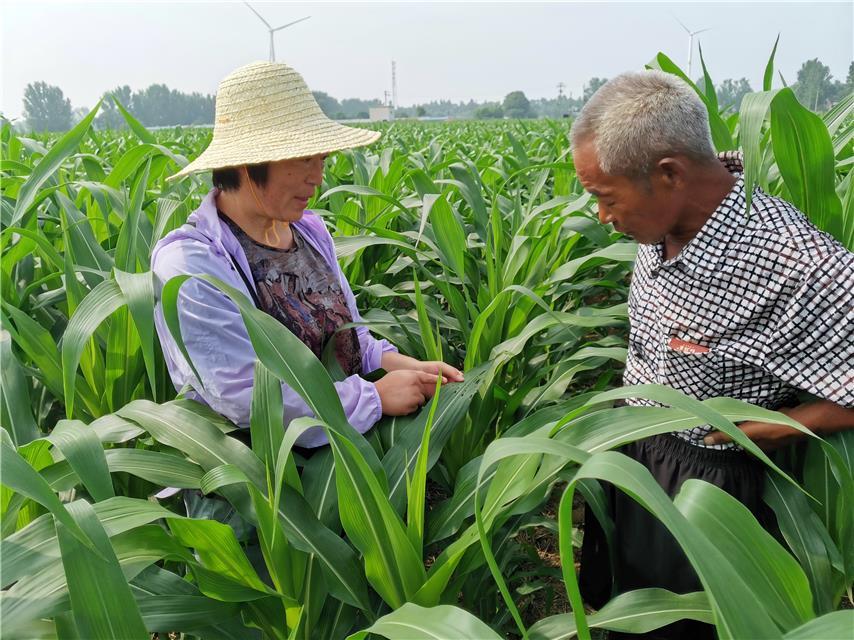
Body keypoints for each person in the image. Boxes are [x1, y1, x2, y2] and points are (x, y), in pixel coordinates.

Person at [569, 70, 854, 639]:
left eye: (605, 197)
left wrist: (780, 428)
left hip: (713, 497)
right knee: (626, 615)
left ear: (669, 174)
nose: (601, 216)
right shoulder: (661, 225)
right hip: (636, 459)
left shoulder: (799, 266)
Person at [152, 61, 463, 449]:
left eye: (322, 160)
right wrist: (373, 398)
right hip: (271, 479)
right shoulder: (192, 265)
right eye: (303, 159)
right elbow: (247, 397)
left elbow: (352, 341)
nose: (317, 177)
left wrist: (409, 369)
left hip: (345, 439)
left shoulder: (309, 232)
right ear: (249, 164)